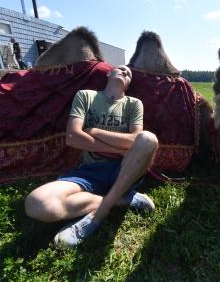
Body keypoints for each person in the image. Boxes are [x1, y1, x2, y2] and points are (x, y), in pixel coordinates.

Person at [24, 65, 159, 248]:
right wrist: (118, 148)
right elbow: (72, 137)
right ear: (109, 74)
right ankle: (124, 199)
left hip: (124, 170)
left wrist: (95, 131)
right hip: (89, 173)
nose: (125, 71)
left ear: (128, 84)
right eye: (120, 69)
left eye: (129, 74)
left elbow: (136, 140)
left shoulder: (133, 104)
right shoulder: (86, 96)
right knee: (36, 204)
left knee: (148, 139)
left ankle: (98, 214)